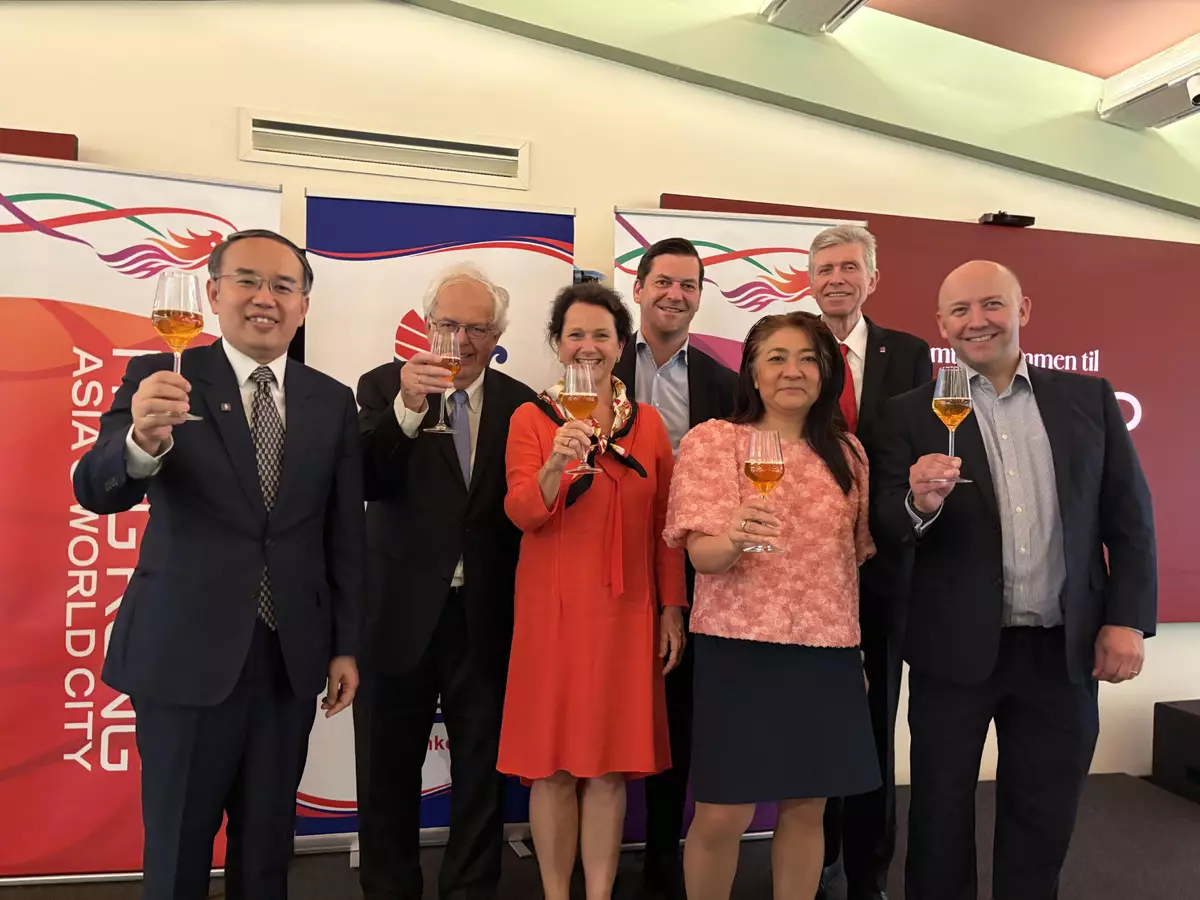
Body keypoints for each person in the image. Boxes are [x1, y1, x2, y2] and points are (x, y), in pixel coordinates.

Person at [72, 230, 364, 900]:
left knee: (266, 855)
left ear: (304, 305)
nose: (265, 298)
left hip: (288, 658)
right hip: (184, 656)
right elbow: (96, 489)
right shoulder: (161, 378)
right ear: (212, 293)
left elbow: (343, 533)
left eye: (283, 286)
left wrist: (346, 644)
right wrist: (140, 442)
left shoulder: (330, 399)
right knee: (177, 851)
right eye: (247, 281)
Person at [873, 260, 1157, 900]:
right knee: (939, 820)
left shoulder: (1089, 399)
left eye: (992, 304)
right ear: (941, 324)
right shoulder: (908, 414)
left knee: (1043, 817)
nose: (977, 321)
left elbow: (1130, 519)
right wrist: (917, 503)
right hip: (952, 652)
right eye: (960, 311)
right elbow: (885, 523)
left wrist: (1126, 619)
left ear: (1022, 310)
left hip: (1062, 651)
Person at [665, 311, 880, 900]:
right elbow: (702, 557)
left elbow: (848, 565)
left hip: (827, 653)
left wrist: (854, 654)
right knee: (722, 814)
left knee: (808, 808)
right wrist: (733, 538)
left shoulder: (849, 454)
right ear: (753, 373)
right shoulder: (714, 441)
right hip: (740, 650)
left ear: (826, 373)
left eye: (808, 358)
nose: (793, 370)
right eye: (777, 358)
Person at [352, 264, 536, 900]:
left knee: (482, 773)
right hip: (397, 613)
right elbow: (367, 479)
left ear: (497, 336)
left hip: (485, 615)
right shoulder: (383, 385)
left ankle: (471, 890)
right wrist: (408, 409)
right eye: (448, 325)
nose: (461, 341)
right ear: (427, 326)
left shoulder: (523, 403)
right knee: (386, 769)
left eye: (477, 329)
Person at [499, 282, 687, 900]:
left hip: (627, 613)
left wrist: (671, 608)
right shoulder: (531, 419)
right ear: (557, 345)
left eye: (601, 335)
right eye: (575, 334)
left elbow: (665, 528)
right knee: (552, 767)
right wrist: (556, 464)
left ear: (621, 344)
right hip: (552, 615)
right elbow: (522, 512)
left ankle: (600, 893)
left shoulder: (648, 425)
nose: (588, 346)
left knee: (609, 768)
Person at [807, 224, 931, 900]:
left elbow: (920, 450)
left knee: (876, 722)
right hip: (804, 572)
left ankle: (866, 873)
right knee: (814, 721)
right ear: (810, 279)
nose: (837, 278)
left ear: (872, 278)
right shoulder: (789, 347)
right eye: (825, 268)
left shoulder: (907, 354)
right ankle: (812, 860)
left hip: (884, 567)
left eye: (849, 267)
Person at [613, 237, 736, 900]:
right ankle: (592, 857)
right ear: (638, 288)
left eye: (688, 285)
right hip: (606, 562)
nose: (675, 295)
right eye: (663, 281)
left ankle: (662, 854)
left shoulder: (722, 382)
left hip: (688, 570)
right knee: (602, 705)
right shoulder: (597, 363)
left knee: (676, 713)